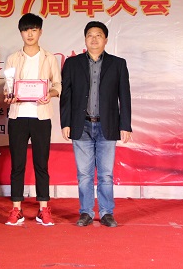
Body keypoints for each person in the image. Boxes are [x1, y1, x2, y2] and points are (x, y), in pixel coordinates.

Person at [60, 21, 132, 228]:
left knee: (106, 174)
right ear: (85, 39)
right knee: (84, 174)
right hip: (80, 125)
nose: (94, 39)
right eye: (90, 35)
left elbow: (124, 96)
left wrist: (125, 125)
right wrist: (65, 122)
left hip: (107, 125)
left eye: (98, 35)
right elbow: (66, 95)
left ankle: (107, 212)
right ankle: (86, 212)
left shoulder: (118, 64)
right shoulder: (72, 64)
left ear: (105, 40)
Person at [3, 13, 61, 226]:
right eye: (26, 30)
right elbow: (8, 87)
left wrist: (50, 94)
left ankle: (43, 209)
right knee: (17, 164)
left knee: (41, 164)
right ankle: (16, 209)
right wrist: (9, 95)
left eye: (34, 30)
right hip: (18, 116)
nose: (30, 34)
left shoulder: (49, 58)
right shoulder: (13, 58)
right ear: (20, 33)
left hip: (41, 116)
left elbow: (58, 85)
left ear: (40, 32)